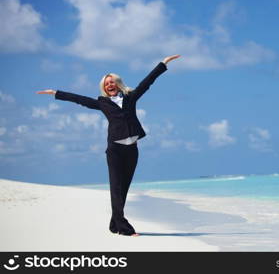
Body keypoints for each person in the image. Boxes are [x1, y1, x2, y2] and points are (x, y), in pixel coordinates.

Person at [37, 54, 181, 236]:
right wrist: (56, 93)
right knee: (116, 188)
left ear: (118, 83)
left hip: (132, 150)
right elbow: (79, 99)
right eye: (106, 84)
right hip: (115, 150)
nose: (109, 85)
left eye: (112, 82)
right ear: (104, 88)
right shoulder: (102, 103)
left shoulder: (131, 97)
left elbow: (147, 82)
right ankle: (125, 228)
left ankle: (114, 225)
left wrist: (163, 63)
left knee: (124, 189)